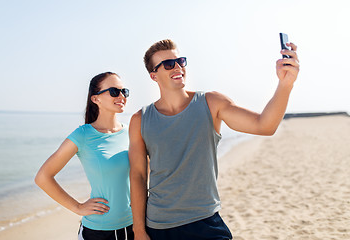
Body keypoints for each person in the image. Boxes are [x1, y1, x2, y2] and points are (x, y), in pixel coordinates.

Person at [129, 39, 299, 240]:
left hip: (206, 221)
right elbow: (138, 175)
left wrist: (285, 84)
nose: (178, 67)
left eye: (180, 61)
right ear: (153, 76)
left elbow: (265, 125)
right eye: (168, 64)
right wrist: (138, 230)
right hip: (159, 225)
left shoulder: (211, 103)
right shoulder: (140, 120)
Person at [35, 72, 134, 240]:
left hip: (134, 226)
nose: (121, 96)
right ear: (95, 99)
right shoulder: (83, 135)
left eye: (124, 91)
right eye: (114, 91)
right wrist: (78, 207)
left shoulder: (131, 131)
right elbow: (43, 177)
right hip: (99, 231)